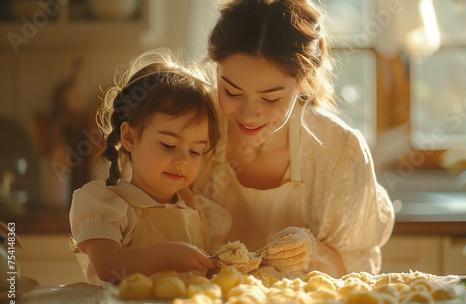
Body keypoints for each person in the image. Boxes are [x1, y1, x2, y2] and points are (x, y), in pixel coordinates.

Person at [192, 0, 395, 278]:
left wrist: (313, 251)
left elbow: (357, 273)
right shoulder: (191, 128)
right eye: (232, 92)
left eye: (270, 97)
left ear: (303, 80)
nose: (249, 115)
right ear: (216, 71)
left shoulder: (339, 152)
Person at [69, 49, 230, 285]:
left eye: (195, 151)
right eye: (168, 144)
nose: (183, 160)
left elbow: (211, 272)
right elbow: (107, 266)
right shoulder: (106, 205)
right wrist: (169, 256)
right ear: (130, 137)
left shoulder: (203, 214)